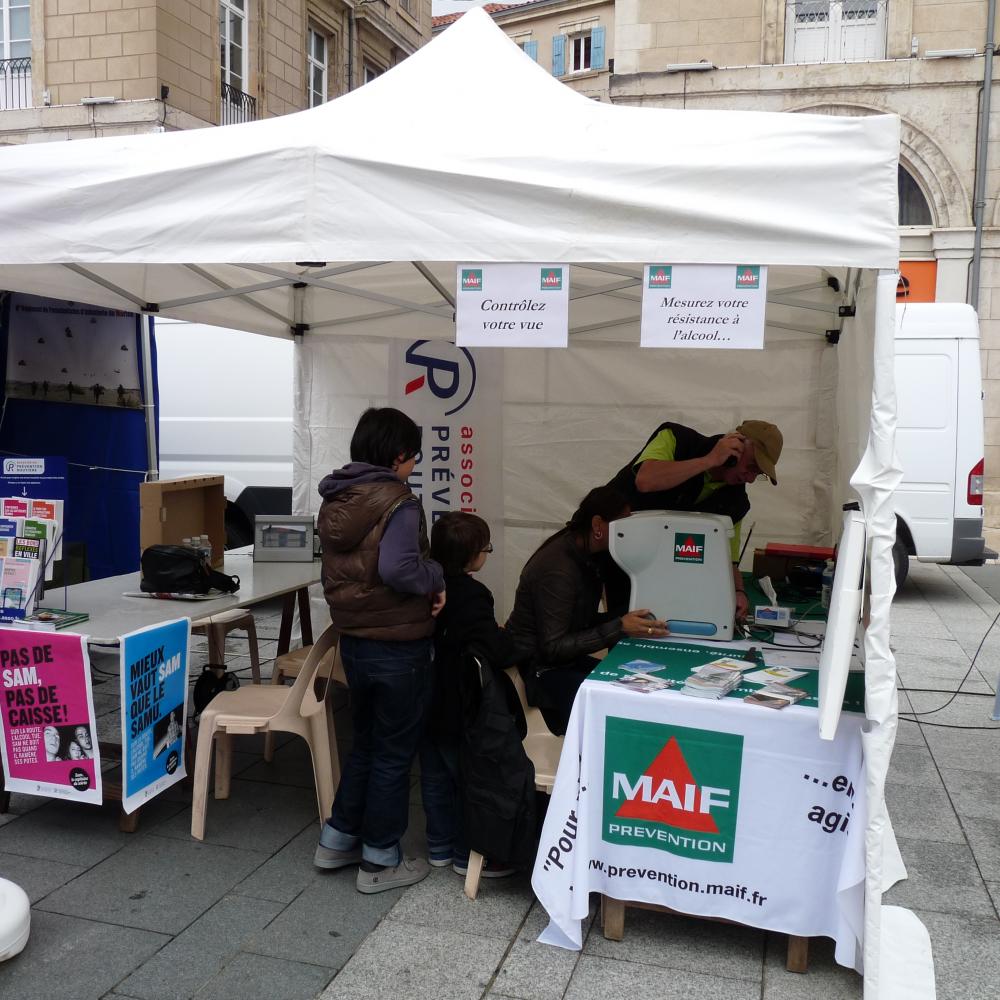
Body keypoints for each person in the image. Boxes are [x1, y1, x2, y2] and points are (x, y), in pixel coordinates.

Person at [312, 406, 446, 895]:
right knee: (393, 753)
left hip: (355, 641)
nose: (413, 467)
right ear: (397, 456)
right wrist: (437, 576)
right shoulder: (399, 501)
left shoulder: (336, 497)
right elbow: (398, 569)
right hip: (399, 645)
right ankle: (380, 860)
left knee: (366, 743)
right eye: (412, 457)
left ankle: (338, 839)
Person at [505, 486, 669, 735]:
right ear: (598, 525)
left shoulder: (583, 554)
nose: (629, 533)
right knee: (624, 703)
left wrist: (627, 620)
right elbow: (553, 647)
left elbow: (581, 622)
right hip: (542, 673)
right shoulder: (558, 569)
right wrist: (619, 626)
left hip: (559, 664)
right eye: (622, 525)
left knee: (640, 687)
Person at [604, 419, 783, 620]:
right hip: (601, 549)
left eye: (757, 474)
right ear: (736, 446)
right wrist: (710, 460)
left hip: (651, 570)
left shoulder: (736, 502)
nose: (750, 478)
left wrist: (738, 592)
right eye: (751, 466)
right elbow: (645, 480)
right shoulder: (676, 438)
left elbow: (729, 559)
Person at [423, 512, 520, 878]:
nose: (487, 554)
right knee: (464, 776)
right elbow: (496, 649)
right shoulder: (473, 594)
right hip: (458, 699)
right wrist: (507, 637)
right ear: (471, 556)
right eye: (486, 548)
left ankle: (437, 846)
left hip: (422, 693)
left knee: (432, 775)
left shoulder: (423, 585)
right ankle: (466, 854)